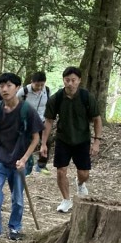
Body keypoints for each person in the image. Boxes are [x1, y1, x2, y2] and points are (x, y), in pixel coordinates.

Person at [0, 72, 44, 241]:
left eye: (9, 85)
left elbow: (36, 138)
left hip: (19, 162)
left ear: (17, 88)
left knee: (18, 199)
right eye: (1, 86)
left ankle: (14, 227)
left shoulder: (27, 110)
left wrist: (24, 159)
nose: (5, 89)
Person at [40, 66, 102, 213]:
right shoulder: (56, 98)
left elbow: (97, 119)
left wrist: (96, 141)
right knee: (61, 171)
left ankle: (80, 184)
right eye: (67, 80)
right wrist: (43, 143)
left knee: (84, 173)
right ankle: (66, 200)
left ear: (79, 80)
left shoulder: (86, 97)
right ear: (63, 80)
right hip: (63, 139)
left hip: (82, 139)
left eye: (73, 80)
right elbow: (48, 121)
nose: (70, 83)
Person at [17, 71, 51, 174]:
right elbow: (16, 105)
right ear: (32, 82)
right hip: (26, 122)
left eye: (42, 85)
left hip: (41, 120)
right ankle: (25, 163)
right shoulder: (23, 92)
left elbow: (48, 104)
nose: (39, 87)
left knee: (46, 142)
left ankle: (41, 165)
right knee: (25, 142)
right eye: (37, 85)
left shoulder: (47, 90)